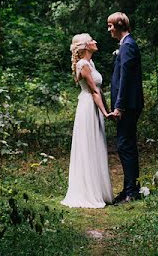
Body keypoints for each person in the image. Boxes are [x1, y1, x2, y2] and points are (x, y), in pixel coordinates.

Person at [60, 33, 114, 208]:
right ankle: (87, 191)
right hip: (88, 107)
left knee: (95, 143)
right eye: (91, 40)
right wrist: (106, 113)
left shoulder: (90, 63)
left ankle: (97, 189)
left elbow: (99, 89)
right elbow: (94, 92)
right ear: (84, 46)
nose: (95, 41)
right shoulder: (83, 64)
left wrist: (106, 110)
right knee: (88, 145)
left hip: (93, 106)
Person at [107, 12, 143, 203]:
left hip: (128, 105)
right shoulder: (126, 45)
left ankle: (131, 192)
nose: (109, 29)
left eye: (111, 25)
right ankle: (131, 188)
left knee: (124, 146)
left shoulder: (128, 46)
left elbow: (126, 80)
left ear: (120, 25)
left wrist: (119, 107)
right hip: (127, 105)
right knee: (126, 145)